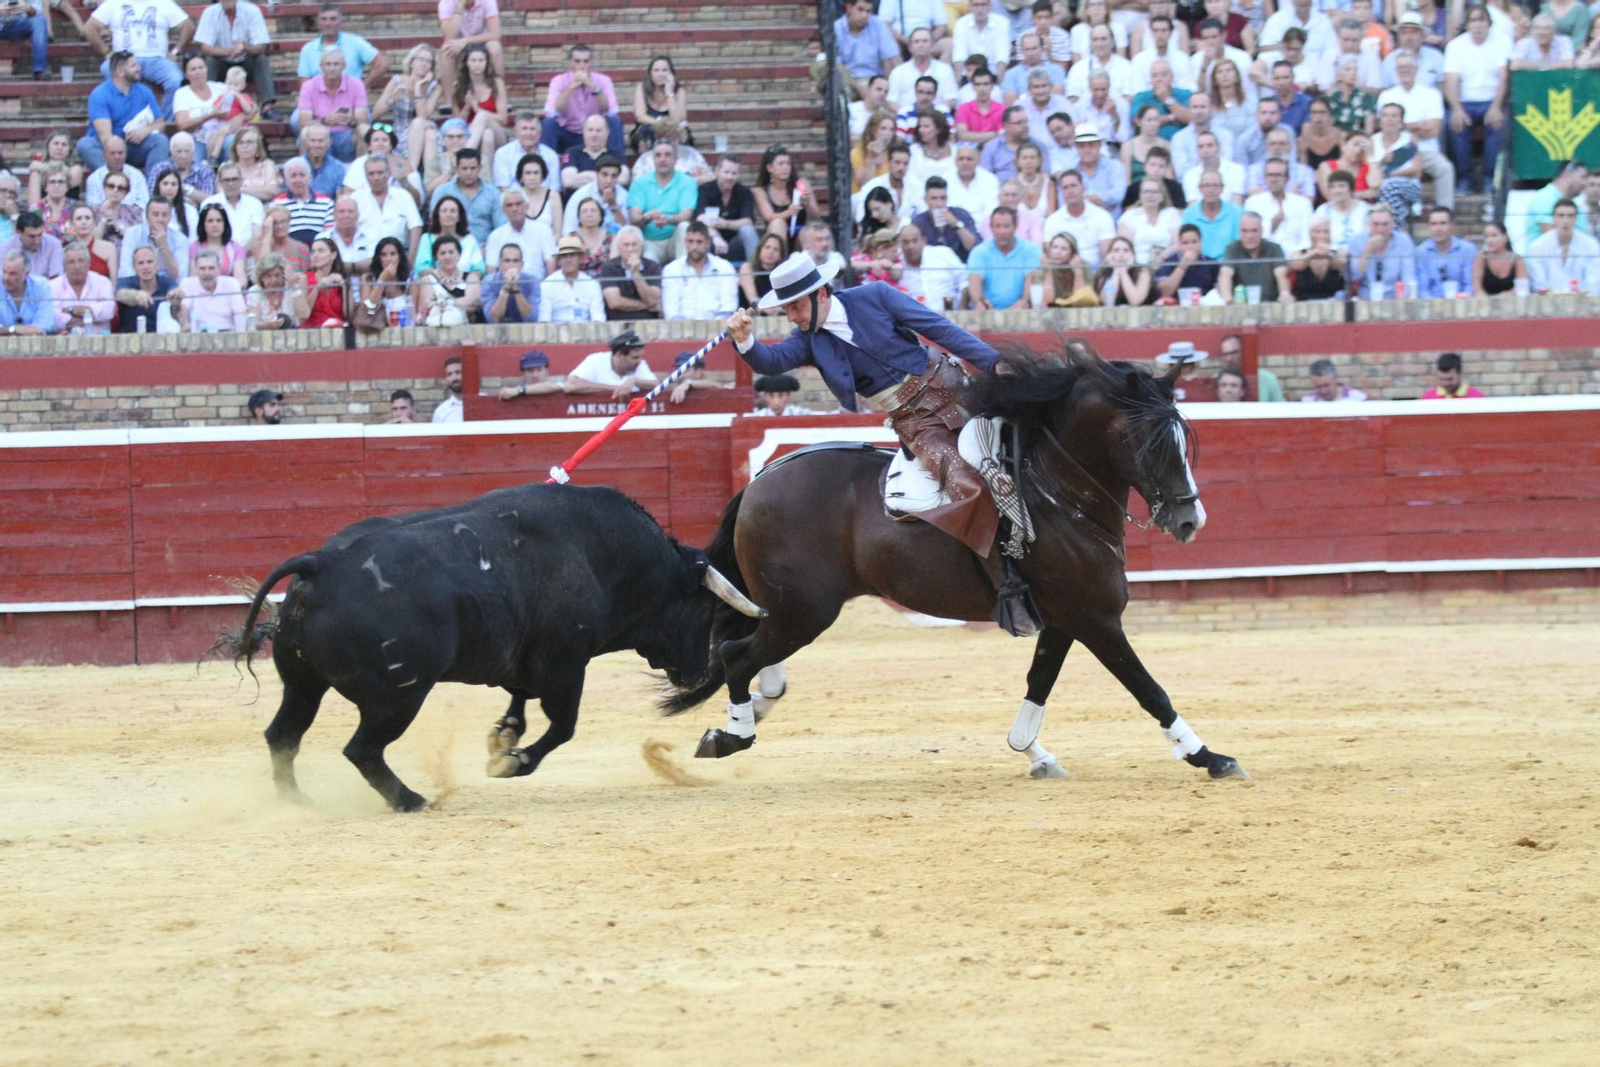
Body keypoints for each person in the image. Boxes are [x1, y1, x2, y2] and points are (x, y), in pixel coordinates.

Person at [722, 251, 1041, 638]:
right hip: (918, 423)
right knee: (966, 483)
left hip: (955, 389)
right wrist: (745, 340)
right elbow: (771, 361)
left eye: (794, 306)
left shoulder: (876, 296)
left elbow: (939, 328)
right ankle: (1009, 591)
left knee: (1029, 448)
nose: (791, 316)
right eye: (786, 309)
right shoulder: (808, 341)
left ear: (820, 293)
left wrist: (992, 364)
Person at [1443, 6, 1511, 198]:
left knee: (1498, 123)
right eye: (1473, 20)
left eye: (1482, 20)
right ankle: (1465, 178)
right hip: (1465, 101)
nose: (1478, 25)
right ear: (1467, 25)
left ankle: (1490, 178)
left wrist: (1496, 107)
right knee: (1455, 124)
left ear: (1489, 23)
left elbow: (1503, 77)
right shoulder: (1455, 46)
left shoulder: (1501, 42)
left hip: (1492, 99)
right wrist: (1456, 109)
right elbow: (1451, 81)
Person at [83, 0, 190, 118]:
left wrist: (175, 51)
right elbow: (89, 27)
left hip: (157, 60)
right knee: (107, 68)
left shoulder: (163, 3)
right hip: (125, 59)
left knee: (176, 80)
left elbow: (188, 26)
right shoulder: (114, 3)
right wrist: (106, 51)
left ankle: (163, 122)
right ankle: (126, 119)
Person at [78, 53, 172, 175]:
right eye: (133, 66)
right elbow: (105, 136)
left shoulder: (145, 92)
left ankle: (152, 188)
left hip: (134, 146)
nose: (139, 68)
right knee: (85, 145)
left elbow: (160, 124)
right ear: (120, 72)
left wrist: (145, 131)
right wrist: (118, 151)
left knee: (160, 140)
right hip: (107, 149)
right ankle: (113, 179)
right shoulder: (100, 94)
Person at [193, 0, 278, 119]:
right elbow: (204, 47)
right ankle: (208, 106)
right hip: (222, 63)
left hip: (246, 61)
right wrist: (228, 52)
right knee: (210, 61)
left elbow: (261, 46)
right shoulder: (210, 13)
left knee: (261, 59)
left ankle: (267, 107)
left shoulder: (252, 11)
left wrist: (245, 49)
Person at [541, 43, 624, 158]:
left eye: (586, 61)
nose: (582, 66)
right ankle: (545, 167)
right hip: (568, 135)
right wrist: (570, 88)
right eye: (577, 61)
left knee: (615, 121)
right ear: (570, 63)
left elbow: (610, 111)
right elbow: (553, 112)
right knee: (548, 124)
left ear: (591, 63)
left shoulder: (603, 80)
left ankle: (619, 165)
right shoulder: (559, 81)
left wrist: (591, 85)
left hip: (595, 134)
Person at [372, 43, 444, 164]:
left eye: (429, 61)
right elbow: (375, 114)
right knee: (429, 134)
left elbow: (423, 117)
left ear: (432, 67)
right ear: (411, 62)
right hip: (401, 132)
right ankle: (419, 174)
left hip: (424, 127)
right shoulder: (397, 81)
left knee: (426, 130)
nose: (424, 63)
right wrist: (392, 100)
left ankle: (420, 175)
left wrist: (417, 88)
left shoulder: (435, 88)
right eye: (420, 59)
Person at [296, 48, 369, 163]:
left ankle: (361, 174)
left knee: (365, 130)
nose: (332, 68)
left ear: (344, 66)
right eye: (328, 64)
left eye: (336, 64)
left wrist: (351, 120)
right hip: (320, 135)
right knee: (305, 132)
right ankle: (308, 173)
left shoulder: (356, 85)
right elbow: (302, 124)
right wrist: (326, 120)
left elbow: (363, 122)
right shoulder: (309, 86)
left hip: (347, 134)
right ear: (321, 66)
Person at [295, 5, 386, 90]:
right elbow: (305, 84)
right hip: (318, 100)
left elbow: (382, 63)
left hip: (350, 100)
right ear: (318, 23)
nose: (328, 23)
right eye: (324, 19)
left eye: (333, 19)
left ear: (341, 23)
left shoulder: (356, 42)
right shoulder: (308, 49)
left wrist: (361, 88)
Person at [352, 154, 424, 257]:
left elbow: (415, 226)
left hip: (398, 258)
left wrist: (411, 259)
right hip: (365, 258)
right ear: (366, 176)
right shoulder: (356, 199)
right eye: (371, 174)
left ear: (388, 174)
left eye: (380, 173)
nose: (376, 178)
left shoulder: (403, 196)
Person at [429, 147, 504, 245]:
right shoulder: (442, 191)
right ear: (457, 169)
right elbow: (435, 224)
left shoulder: (493, 193)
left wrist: (487, 249)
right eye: (464, 169)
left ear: (480, 168)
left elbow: (500, 227)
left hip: (484, 249)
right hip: (449, 250)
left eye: (473, 168)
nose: (469, 173)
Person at [1043, 169, 1116, 269]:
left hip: (1095, 273)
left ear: (1083, 188)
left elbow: (1107, 255)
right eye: (1065, 188)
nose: (1070, 191)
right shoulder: (1053, 220)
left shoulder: (1102, 216)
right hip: (1064, 273)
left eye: (1073, 186)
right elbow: (1051, 255)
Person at [438, 0, 504, 109]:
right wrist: (459, 8)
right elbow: (449, 36)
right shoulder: (446, 3)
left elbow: (496, 33)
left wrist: (466, 41)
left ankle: (499, 98)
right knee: (446, 50)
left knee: (495, 47)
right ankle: (450, 103)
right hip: (458, 46)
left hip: (481, 43)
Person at [1527, 199, 1600, 293]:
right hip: (1547, 303)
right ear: (1553, 218)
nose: (1565, 221)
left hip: (1582, 303)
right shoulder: (1538, 246)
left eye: (1570, 216)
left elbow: (1593, 282)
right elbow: (1539, 283)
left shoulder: (1590, 245)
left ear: (1576, 218)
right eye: (1561, 216)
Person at [696, 156, 758, 265]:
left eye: (734, 173)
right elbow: (700, 217)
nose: (730, 177)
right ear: (717, 171)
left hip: (735, 242)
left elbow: (748, 221)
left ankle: (755, 271)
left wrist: (726, 224)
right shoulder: (705, 189)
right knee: (700, 234)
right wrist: (715, 236)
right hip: (711, 240)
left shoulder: (744, 192)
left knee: (748, 230)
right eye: (726, 172)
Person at [1218, 210, 1291, 302]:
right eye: (1244, 231)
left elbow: (1281, 275)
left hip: (1270, 303)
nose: (1249, 236)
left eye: (1254, 231)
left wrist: (1284, 295)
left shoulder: (1274, 248)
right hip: (1241, 306)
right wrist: (1227, 298)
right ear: (1239, 231)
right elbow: (1225, 274)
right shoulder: (1232, 249)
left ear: (1262, 230)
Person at [1243, 158, 1312, 254]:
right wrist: (1273, 223)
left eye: (1278, 175)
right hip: (1264, 258)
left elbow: (1306, 238)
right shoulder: (1253, 202)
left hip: (1296, 258)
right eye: (1270, 175)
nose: (1274, 179)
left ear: (1287, 178)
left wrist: (1298, 255)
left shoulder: (1302, 204)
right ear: (1265, 178)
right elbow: (1250, 237)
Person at [1347, 204, 1417, 298]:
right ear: (1368, 224)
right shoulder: (1357, 241)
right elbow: (1354, 277)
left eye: (1385, 224)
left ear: (1393, 223)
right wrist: (1368, 249)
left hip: (1394, 299)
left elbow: (1408, 277)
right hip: (1365, 299)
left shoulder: (1404, 241)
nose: (1380, 229)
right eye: (1376, 224)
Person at [595, 224, 662, 321]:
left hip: (648, 323)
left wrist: (635, 273)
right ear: (619, 247)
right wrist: (646, 305)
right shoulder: (609, 267)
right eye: (626, 245)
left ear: (641, 246)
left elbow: (651, 299)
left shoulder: (653, 267)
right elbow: (614, 302)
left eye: (634, 244)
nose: (630, 249)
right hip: (617, 324)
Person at [564, 328, 657, 397]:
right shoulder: (596, 360)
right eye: (634, 357)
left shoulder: (639, 364)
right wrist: (614, 388)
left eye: (640, 357)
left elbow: (655, 384)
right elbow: (570, 385)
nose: (639, 361)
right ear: (619, 355)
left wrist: (634, 381)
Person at [1521, 161, 1590, 249]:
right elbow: (1553, 236)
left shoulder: (1576, 204)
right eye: (1583, 177)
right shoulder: (1545, 198)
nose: (1585, 183)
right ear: (1567, 175)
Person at [49, 243, 115, 333]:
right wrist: (90, 316)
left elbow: (109, 310)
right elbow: (52, 317)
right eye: (71, 262)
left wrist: (71, 310)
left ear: (88, 263)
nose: (77, 267)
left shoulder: (102, 282)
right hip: (65, 344)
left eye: (81, 261)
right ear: (64, 266)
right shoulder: (53, 286)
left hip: (99, 342)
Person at [118, 195, 189, 280]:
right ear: (147, 217)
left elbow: (180, 276)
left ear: (170, 217)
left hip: (166, 287)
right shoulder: (132, 233)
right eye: (155, 215)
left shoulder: (180, 239)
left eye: (164, 215)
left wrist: (164, 247)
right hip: (138, 285)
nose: (160, 219)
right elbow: (126, 271)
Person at [176, 247, 247, 330]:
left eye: (211, 268)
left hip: (228, 335)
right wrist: (185, 325)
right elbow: (183, 311)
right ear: (196, 269)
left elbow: (240, 314)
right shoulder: (187, 284)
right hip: (198, 336)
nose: (207, 273)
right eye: (202, 269)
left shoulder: (232, 284)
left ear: (219, 269)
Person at [538, 234, 605, 322]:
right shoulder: (547, 284)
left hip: (586, 332)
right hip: (555, 333)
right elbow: (544, 320)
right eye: (564, 256)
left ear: (580, 259)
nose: (568, 260)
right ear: (558, 261)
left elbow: (598, 318)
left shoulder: (591, 284)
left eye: (572, 255)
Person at [1414, 207, 1476, 299]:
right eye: (1433, 224)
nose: (1438, 229)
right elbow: (1422, 289)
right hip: (1430, 306)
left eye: (1442, 223)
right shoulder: (1421, 252)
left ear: (1452, 225)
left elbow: (1470, 284)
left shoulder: (1467, 250)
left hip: (1461, 304)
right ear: (1429, 227)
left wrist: (1463, 299)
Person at [113, 243, 177, 332]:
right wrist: (137, 295)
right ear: (134, 267)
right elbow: (120, 294)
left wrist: (175, 294)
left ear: (158, 264)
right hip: (129, 342)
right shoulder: (125, 282)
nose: (145, 267)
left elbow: (176, 291)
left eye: (150, 262)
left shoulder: (167, 281)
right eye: (140, 263)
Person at [1180, 169, 1242, 259]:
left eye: (1215, 185)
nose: (1211, 190)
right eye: (1206, 185)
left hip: (1229, 265)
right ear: (1200, 188)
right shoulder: (1189, 214)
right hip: (1198, 265)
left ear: (1222, 188)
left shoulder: (1237, 212)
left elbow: (1240, 245)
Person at [1153, 223, 1220, 300]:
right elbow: (1165, 293)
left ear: (1201, 242)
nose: (1190, 247)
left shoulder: (1211, 263)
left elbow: (1219, 292)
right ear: (1179, 245)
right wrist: (1182, 266)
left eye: (1194, 242)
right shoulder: (1169, 262)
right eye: (1185, 243)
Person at [294, 236, 348, 327]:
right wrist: (317, 287)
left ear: (333, 255)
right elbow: (303, 316)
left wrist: (344, 286)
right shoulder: (304, 279)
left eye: (321, 251)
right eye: (313, 252)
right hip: (312, 332)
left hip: (338, 331)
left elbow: (348, 315)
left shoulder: (341, 278)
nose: (315, 255)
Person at [188, 202, 247, 285]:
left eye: (219, 221)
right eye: (210, 221)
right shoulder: (194, 247)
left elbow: (241, 280)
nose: (215, 225)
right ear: (203, 224)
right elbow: (193, 277)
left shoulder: (236, 248)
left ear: (225, 224)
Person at [480, 243, 537, 324]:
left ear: (522, 264)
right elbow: (492, 318)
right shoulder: (489, 281)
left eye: (516, 261)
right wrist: (506, 287)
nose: (511, 265)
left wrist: (516, 289)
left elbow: (531, 318)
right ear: (500, 264)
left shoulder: (532, 281)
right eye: (507, 261)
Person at [318, 196, 375, 276]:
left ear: (357, 215)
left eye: (350, 211)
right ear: (334, 215)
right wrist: (358, 266)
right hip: (332, 286)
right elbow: (320, 265)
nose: (346, 215)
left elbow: (374, 264)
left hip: (365, 286)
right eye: (341, 211)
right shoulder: (322, 238)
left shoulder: (371, 236)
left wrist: (337, 266)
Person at [0, 211, 63, 280]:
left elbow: (56, 279)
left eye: (39, 235)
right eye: (32, 236)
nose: (37, 241)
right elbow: (3, 279)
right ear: (19, 232)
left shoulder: (53, 244)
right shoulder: (6, 248)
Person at [246, 251, 300, 330]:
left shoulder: (291, 287)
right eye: (268, 276)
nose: (273, 280)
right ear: (261, 277)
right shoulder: (255, 291)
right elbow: (253, 326)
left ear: (283, 275)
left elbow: (304, 315)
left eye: (277, 275)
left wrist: (294, 289)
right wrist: (267, 326)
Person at [1472, 220, 1527, 296]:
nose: (1489, 240)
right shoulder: (1481, 258)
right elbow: (1477, 289)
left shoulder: (1517, 260)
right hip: (1485, 304)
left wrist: (1505, 296)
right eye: (1486, 237)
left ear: (1505, 237)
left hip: (1512, 303)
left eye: (1494, 236)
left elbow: (1522, 288)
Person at [1092, 235, 1152, 305]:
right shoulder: (1103, 272)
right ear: (1109, 255)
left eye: (1126, 250)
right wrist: (1116, 271)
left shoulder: (1142, 271)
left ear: (1132, 254)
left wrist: (1123, 272)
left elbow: (1135, 301)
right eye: (1116, 250)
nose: (1121, 254)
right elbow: (1106, 301)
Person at [1417, 352, 1486, 400]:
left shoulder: (1477, 398)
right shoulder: (1428, 398)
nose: (1446, 383)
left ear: (1459, 373)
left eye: (1450, 379)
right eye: (1441, 379)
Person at [1301, 358, 1368, 402]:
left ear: (1336, 378)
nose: (1323, 391)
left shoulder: (1357, 398)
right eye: (1318, 387)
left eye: (1326, 385)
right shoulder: (1308, 402)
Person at [749, 373, 814, 416]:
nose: (776, 402)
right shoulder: (758, 416)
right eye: (771, 396)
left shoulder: (801, 414)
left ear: (788, 395)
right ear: (765, 396)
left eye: (781, 396)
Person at [432, 356, 464, 422]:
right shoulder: (441, 411)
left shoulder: (485, 403)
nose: (454, 378)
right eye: (449, 374)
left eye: (458, 372)